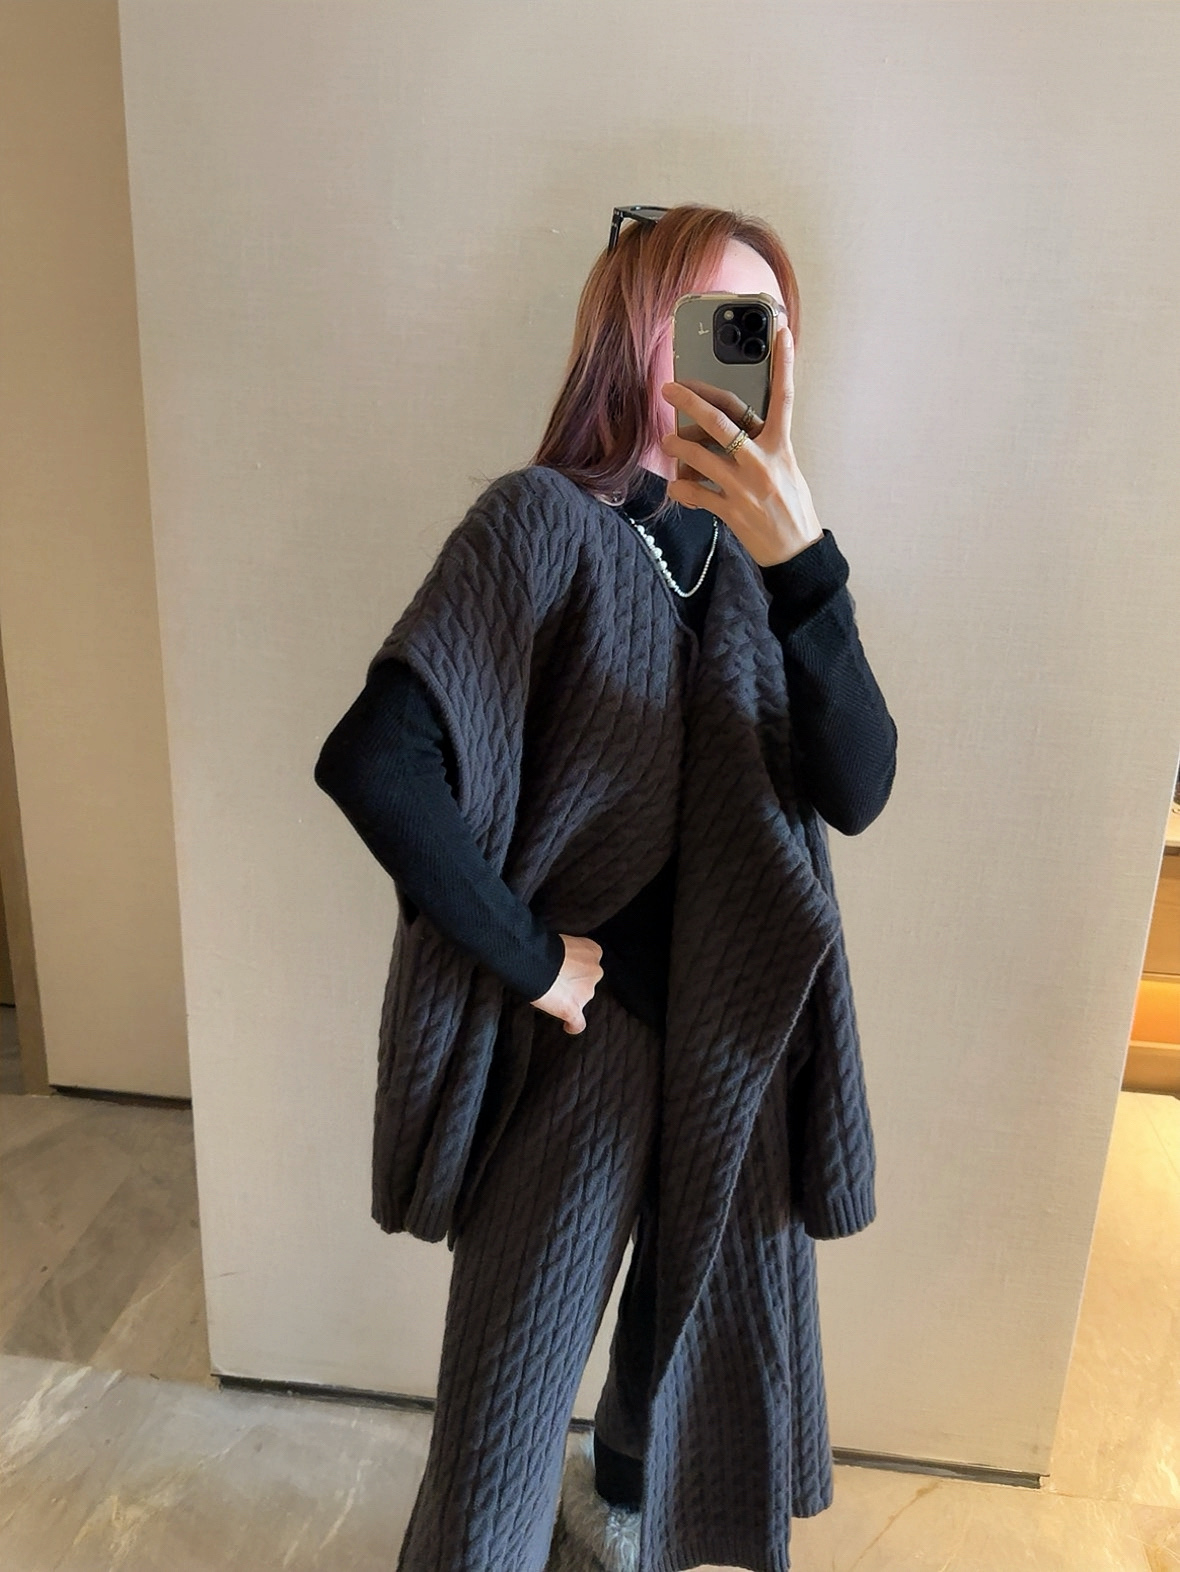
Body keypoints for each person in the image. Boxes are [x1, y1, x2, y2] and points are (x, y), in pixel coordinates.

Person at [315, 203, 897, 1572]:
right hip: (592, 1048)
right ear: (639, 328)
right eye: (717, 320)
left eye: (767, 329)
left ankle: (624, 1512)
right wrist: (529, 956)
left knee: (692, 1357)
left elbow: (860, 787)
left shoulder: (760, 564)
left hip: (738, 1050)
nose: (746, 354)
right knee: (506, 1417)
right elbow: (377, 760)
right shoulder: (542, 522)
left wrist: (805, 562)